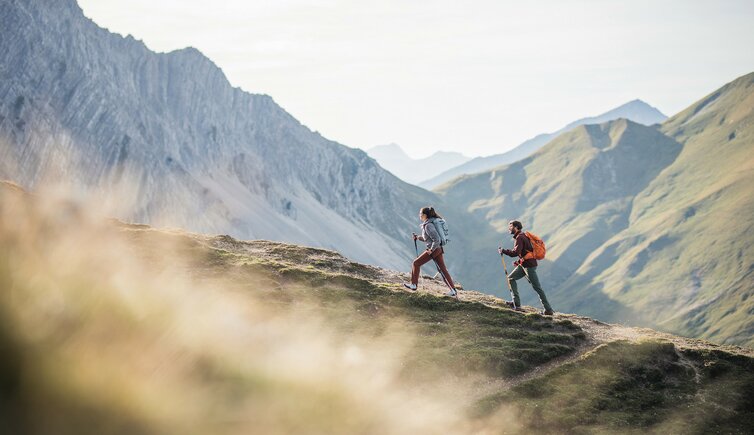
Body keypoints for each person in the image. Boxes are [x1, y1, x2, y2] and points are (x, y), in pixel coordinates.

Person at [498, 220, 554, 315]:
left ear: (516, 228)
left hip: (529, 266)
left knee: (537, 287)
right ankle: (516, 303)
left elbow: (515, 253)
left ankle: (548, 310)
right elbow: (525, 252)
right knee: (511, 278)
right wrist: (519, 261)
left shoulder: (520, 238)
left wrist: (503, 250)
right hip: (525, 264)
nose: (509, 228)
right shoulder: (523, 236)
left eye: (510, 227)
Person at [403, 207, 457, 298]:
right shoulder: (429, 223)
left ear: (425, 215)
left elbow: (436, 239)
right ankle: (453, 290)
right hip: (438, 249)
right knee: (443, 270)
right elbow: (427, 238)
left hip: (434, 250)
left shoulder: (428, 225)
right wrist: (418, 237)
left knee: (416, 263)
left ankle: (414, 285)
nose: (419, 215)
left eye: (420, 214)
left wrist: (431, 250)